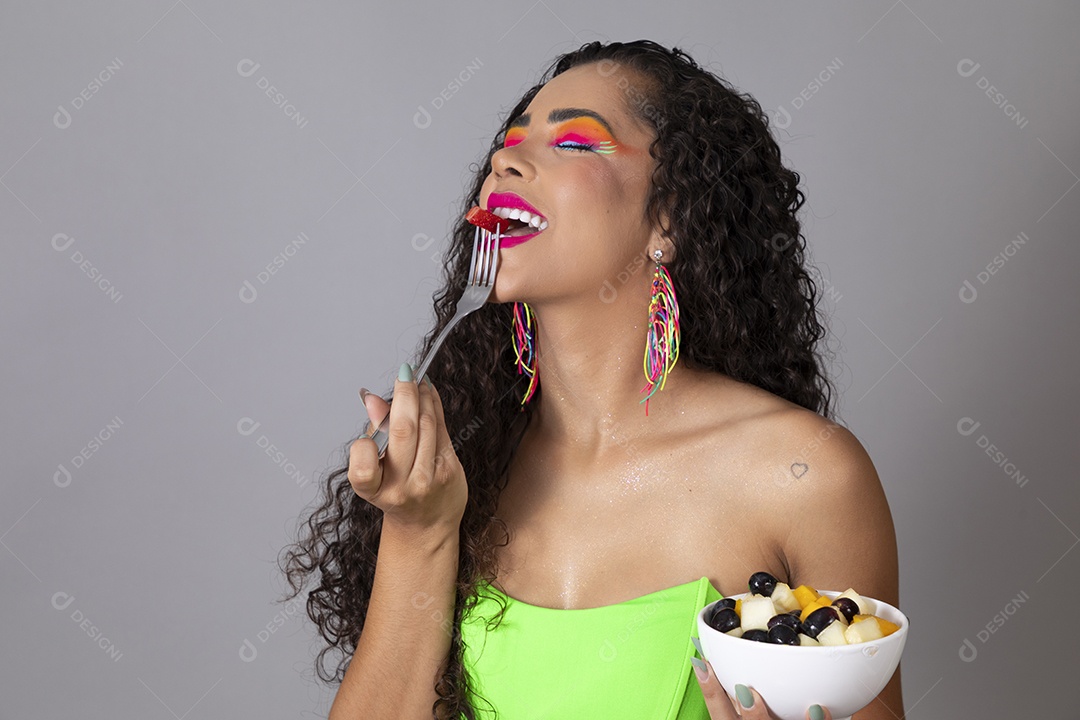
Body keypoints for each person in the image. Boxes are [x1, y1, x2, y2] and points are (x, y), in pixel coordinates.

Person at [280, 40, 903, 720]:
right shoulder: (462, 468)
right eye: (510, 142)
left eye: (575, 143)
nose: (503, 160)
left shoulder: (805, 476)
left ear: (670, 215)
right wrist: (419, 532)